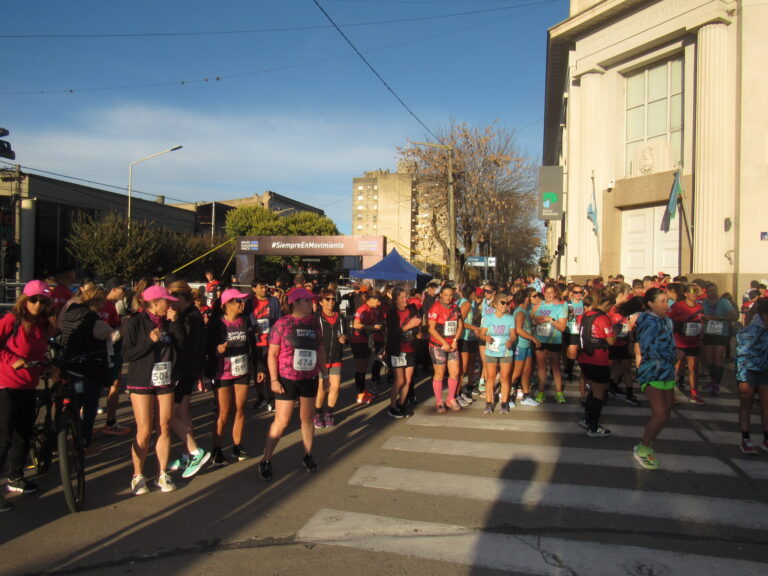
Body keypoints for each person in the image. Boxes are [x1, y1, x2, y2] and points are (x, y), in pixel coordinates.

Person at [259, 288, 328, 481]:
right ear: (295, 303)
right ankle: (266, 459)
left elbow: (320, 349)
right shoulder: (283, 323)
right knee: (282, 421)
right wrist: (273, 379)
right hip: (286, 377)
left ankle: (307, 455)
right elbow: (272, 354)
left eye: (311, 301)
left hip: (309, 377)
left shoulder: (314, 323)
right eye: (307, 301)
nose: (311, 304)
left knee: (308, 418)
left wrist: (325, 374)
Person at [121, 285, 185, 495]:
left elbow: (181, 345)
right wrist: (150, 341)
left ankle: (162, 473)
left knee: (164, 426)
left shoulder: (170, 322)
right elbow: (127, 355)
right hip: (142, 380)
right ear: (155, 302)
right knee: (145, 430)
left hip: (165, 379)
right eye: (167, 300)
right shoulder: (135, 323)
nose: (170, 304)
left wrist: (176, 324)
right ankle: (138, 475)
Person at [0, 281, 58, 512]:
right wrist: (11, 360)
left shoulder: (42, 325)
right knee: (3, 437)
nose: (37, 304)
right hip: (6, 385)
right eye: (33, 299)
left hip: (28, 385)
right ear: (24, 300)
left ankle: (15, 477)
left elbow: (40, 353)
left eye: (42, 301)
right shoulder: (11, 321)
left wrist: (49, 367)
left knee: (23, 434)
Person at [58, 285, 120, 449]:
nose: (103, 306)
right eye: (101, 302)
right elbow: (114, 336)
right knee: (90, 406)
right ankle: (84, 441)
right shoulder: (93, 321)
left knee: (73, 402)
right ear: (96, 301)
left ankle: (61, 436)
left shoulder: (69, 314)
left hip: (70, 364)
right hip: (91, 366)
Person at [165, 280, 210, 479]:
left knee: (167, 415)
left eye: (172, 299)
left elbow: (185, 343)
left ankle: (194, 450)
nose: (169, 304)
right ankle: (187, 454)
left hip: (183, 369)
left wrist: (174, 323)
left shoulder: (191, 316)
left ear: (180, 298)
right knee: (183, 412)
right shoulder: (189, 314)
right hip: (187, 369)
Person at [633, 288, 676, 470]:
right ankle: (642, 448)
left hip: (667, 371)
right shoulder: (647, 322)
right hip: (652, 371)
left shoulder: (667, 320)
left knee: (666, 414)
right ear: (650, 303)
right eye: (662, 301)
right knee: (659, 414)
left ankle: (648, 445)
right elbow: (647, 348)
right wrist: (672, 354)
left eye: (667, 301)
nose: (666, 305)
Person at [207, 287, 252, 466]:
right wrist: (216, 349)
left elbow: (252, 346)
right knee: (223, 412)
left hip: (241, 370)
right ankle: (217, 449)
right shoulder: (216, 324)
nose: (242, 304)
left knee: (240, 409)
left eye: (242, 301)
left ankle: (237, 446)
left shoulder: (245, 320)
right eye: (238, 301)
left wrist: (260, 368)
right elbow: (206, 346)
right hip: (222, 371)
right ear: (226, 304)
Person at [576, 293, 617, 437]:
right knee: (599, 393)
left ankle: (587, 419)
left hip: (584, 357)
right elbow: (611, 341)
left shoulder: (585, 315)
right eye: (610, 306)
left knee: (593, 390)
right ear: (606, 304)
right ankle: (593, 427)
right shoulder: (603, 318)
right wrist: (615, 331)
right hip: (599, 358)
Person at [735, 299, 768, 454]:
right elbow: (742, 356)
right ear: (763, 315)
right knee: (746, 403)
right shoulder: (750, 331)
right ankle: (745, 438)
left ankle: (766, 438)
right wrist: (742, 379)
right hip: (749, 370)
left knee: (766, 405)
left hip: (765, 370)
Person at [100, 278, 131, 436]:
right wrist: (122, 327)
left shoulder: (105, 305)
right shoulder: (107, 306)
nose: (124, 292)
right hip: (107, 352)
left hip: (101, 352)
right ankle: (110, 422)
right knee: (113, 384)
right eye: (122, 289)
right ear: (112, 289)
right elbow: (110, 332)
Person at [385, 286, 421, 418]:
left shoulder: (412, 309)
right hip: (397, 349)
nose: (406, 299)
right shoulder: (392, 313)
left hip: (410, 347)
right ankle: (392, 406)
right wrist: (409, 325)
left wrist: (417, 326)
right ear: (395, 300)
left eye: (406, 296)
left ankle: (401, 404)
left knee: (408, 379)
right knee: (400, 380)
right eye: (402, 297)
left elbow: (416, 329)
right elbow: (394, 334)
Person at [427, 284, 463, 413]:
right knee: (440, 374)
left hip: (452, 344)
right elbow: (431, 329)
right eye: (446, 295)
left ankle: (451, 399)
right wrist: (444, 342)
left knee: (455, 372)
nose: (448, 298)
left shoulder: (456, 308)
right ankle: (439, 401)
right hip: (438, 345)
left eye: (451, 295)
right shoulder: (435, 308)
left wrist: (454, 341)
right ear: (440, 295)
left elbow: (460, 326)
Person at [479, 294, 517, 414]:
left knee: (505, 378)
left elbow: (513, 335)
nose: (505, 305)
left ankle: (504, 404)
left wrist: (511, 341)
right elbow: (481, 333)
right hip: (491, 351)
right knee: (490, 378)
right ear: (495, 304)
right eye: (502, 303)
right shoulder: (488, 318)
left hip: (506, 351)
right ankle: (489, 404)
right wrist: (486, 338)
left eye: (506, 303)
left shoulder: (510, 318)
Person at [248, 279, 282, 412]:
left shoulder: (273, 301)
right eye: (261, 287)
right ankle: (260, 397)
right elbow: (247, 320)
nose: (264, 290)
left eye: (265, 287)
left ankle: (271, 398)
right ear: (254, 289)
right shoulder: (249, 303)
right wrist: (253, 328)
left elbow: (278, 320)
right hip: (256, 342)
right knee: (258, 371)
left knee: (270, 370)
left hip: (270, 341)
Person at [668, 284, 705, 404]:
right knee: (675, 368)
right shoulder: (677, 306)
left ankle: (694, 394)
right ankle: (670, 394)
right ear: (686, 294)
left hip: (694, 342)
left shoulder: (700, 307)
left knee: (693, 369)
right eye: (692, 291)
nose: (694, 294)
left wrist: (702, 335)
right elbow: (668, 320)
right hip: (679, 341)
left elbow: (702, 322)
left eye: (696, 291)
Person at [315, 288, 347, 427]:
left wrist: (345, 339)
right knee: (322, 388)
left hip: (335, 357)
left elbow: (347, 335)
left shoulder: (340, 318)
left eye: (333, 299)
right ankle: (317, 414)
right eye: (327, 299)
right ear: (321, 302)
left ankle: (329, 413)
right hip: (320, 358)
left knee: (335, 387)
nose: (331, 302)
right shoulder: (316, 319)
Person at [701, 282, 738, 396]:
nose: (712, 293)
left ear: (717, 290)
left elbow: (735, 316)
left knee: (718, 357)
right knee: (709, 358)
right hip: (708, 332)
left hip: (721, 333)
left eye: (714, 290)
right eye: (709, 291)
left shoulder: (724, 302)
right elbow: (700, 315)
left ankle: (716, 383)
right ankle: (712, 380)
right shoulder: (705, 303)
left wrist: (719, 317)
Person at [533, 285, 567, 403]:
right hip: (540, 340)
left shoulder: (559, 307)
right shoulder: (538, 306)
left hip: (554, 340)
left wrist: (551, 320)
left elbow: (562, 328)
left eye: (551, 292)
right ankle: (541, 392)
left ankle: (559, 393)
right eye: (546, 292)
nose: (548, 295)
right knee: (541, 367)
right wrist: (536, 321)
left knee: (555, 367)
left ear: (555, 293)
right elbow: (532, 320)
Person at [350, 290, 382, 405]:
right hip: (358, 341)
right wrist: (371, 327)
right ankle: (359, 393)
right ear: (371, 299)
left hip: (367, 341)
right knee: (360, 368)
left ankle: (362, 391)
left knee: (364, 367)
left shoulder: (372, 310)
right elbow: (356, 324)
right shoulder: (363, 309)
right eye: (377, 301)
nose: (379, 303)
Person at [510, 290, 540, 407]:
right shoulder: (520, 312)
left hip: (526, 346)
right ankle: (507, 396)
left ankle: (526, 396)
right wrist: (533, 338)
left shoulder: (525, 311)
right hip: (520, 346)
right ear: (526, 299)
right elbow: (518, 330)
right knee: (516, 373)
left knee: (526, 372)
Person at [457, 284, 481, 405]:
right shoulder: (465, 304)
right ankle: (458, 392)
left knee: (470, 363)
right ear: (472, 293)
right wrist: (473, 328)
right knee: (463, 367)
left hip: (470, 338)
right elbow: (459, 321)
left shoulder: (469, 302)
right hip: (464, 337)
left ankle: (468, 388)